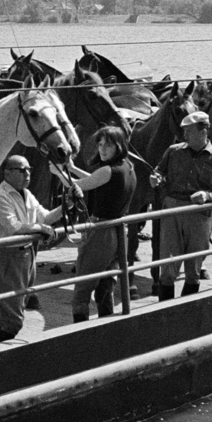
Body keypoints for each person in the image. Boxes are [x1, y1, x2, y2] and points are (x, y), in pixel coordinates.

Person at [152, 111, 212, 299]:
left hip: (199, 214)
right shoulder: (173, 151)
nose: (184, 135)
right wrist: (155, 179)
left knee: (193, 268)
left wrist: (207, 195)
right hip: (172, 209)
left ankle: (187, 309)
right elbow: (159, 172)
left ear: (203, 131)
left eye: (189, 131)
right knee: (168, 265)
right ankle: (165, 311)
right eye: (184, 131)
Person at [0, 154, 62, 340]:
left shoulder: (26, 194)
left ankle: (2, 353)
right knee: (13, 319)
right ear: (7, 173)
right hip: (7, 256)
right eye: (21, 170)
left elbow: (44, 217)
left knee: (15, 311)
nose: (27, 174)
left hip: (26, 255)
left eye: (29, 169)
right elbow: (13, 227)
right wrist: (41, 228)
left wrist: (65, 206)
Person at [68, 126, 136, 323]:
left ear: (119, 146)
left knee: (82, 289)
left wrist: (59, 173)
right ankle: (109, 328)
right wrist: (71, 168)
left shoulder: (107, 170)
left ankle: (80, 333)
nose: (103, 149)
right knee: (106, 286)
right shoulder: (128, 167)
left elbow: (79, 186)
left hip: (101, 232)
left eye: (108, 145)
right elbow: (94, 180)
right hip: (119, 231)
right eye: (100, 144)